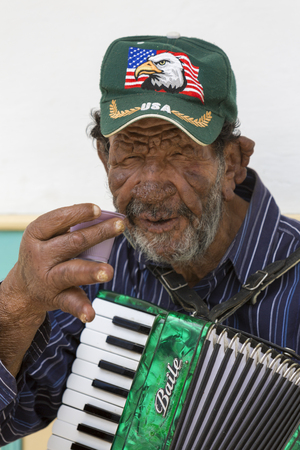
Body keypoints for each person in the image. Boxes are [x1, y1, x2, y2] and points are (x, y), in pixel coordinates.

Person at [0, 33, 300, 445]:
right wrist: (16, 303)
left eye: (181, 154)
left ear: (232, 163)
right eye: (131, 155)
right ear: (105, 159)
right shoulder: (94, 265)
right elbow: (7, 423)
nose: (151, 186)